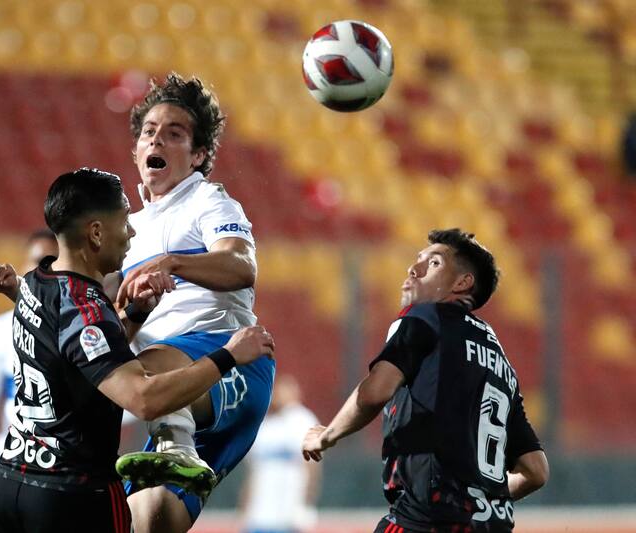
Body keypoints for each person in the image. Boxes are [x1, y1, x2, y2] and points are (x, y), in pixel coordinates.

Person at [0, 168, 274, 533]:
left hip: (11, 483)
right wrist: (228, 356)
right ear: (96, 232)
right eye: (123, 220)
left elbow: (84, 352)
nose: (131, 231)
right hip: (71, 493)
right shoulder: (86, 308)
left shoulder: (37, 284)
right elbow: (143, 399)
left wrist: (136, 314)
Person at [109, 72, 275, 533]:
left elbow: (241, 266)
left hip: (229, 361)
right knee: (152, 521)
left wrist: (174, 262)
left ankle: (175, 438)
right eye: (149, 131)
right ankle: (174, 440)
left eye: (175, 133)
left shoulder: (209, 201)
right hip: (175, 401)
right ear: (137, 151)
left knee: (136, 372)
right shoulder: (129, 229)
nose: (157, 138)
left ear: (199, 155)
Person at [302, 229, 549, 533]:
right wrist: (480, 503)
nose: (413, 268)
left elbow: (375, 392)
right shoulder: (501, 363)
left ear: (462, 283)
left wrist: (327, 435)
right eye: (417, 260)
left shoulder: (426, 317)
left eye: (433, 263)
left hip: (427, 520)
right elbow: (536, 471)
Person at [0, 229, 58, 533]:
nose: (45, 270)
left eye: (53, 262)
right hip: (13, 461)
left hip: (71, 467)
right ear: (24, 266)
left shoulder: (84, 326)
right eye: (38, 262)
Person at [240, 374, 321, 533]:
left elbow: (312, 466)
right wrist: (244, 508)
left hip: (288, 513)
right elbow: (253, 473)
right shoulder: (264, 427)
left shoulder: (302, 419)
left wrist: (306, 503)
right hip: (259, 513)